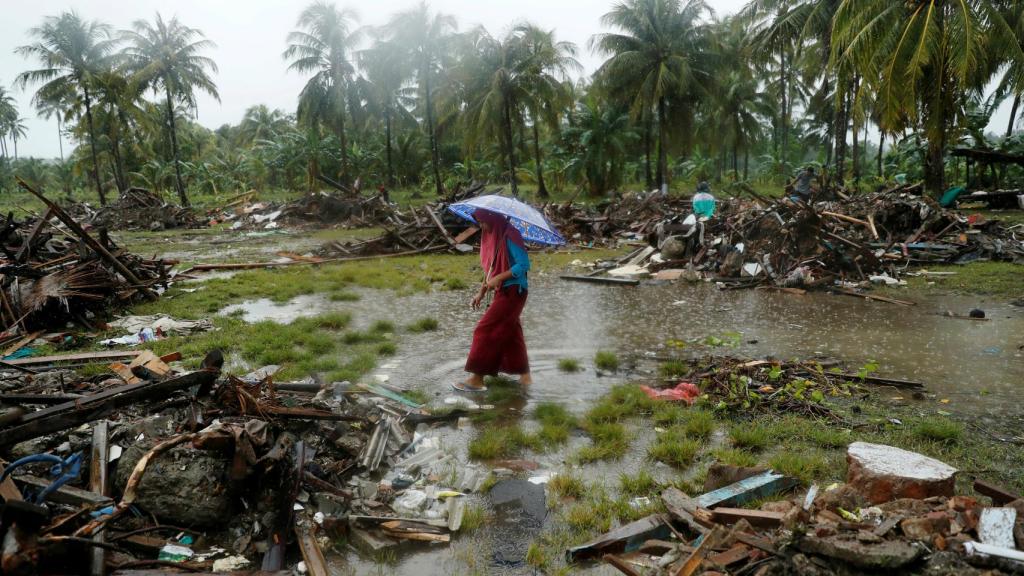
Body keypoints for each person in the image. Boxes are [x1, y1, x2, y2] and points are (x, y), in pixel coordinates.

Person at [453, 209, 532, 392]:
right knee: (512, 334)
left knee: (485, 329)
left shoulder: (510, 234)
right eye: (478, 222)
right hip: (502, 289)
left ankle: (477, 379)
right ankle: (525, 377)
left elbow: (523, 264)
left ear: (492, 219)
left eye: (482, 221)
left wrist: (500, 278)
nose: (481, 226)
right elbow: (491, 271)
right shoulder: (493, 237)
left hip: (514, 290)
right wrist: (481, 292)